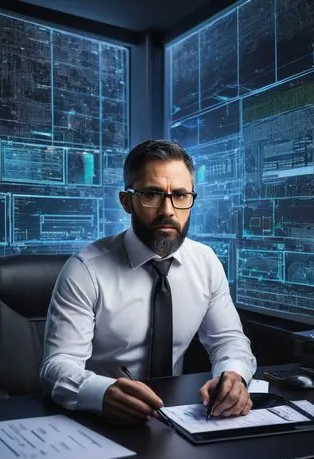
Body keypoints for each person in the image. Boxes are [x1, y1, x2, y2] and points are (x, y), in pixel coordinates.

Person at [40, 139, 257, 424]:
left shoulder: (206, 262)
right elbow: (57, 365)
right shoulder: (85, 269)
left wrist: (232, 376)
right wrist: (102, 392)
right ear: (127, 201)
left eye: (180, 195)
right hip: (103, 420)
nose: (168, 210)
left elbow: (228, 340)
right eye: (153, 194)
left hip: (179, 415)